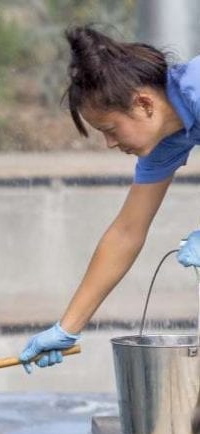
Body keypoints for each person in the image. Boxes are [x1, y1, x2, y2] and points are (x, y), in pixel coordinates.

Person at [20, 25, 200, 370]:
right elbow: (126, 233)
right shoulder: (166, 141)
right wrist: (67, 328)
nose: (110, 144)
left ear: (144, 103)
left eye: (110, 130)